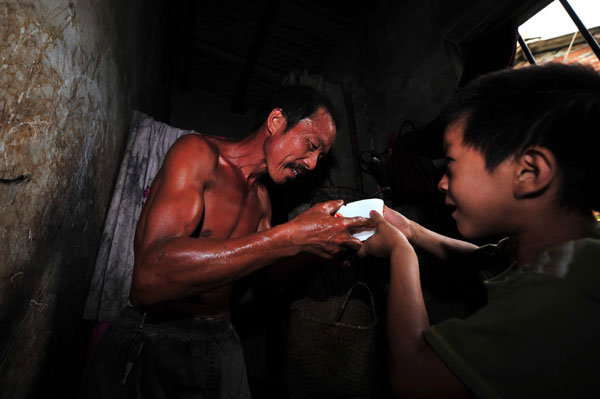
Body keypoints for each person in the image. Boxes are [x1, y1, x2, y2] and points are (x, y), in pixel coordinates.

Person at [80, 85, 373, 398]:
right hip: (158, 332)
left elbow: (265, 278)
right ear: (276, 122)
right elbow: (150, 276)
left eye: (320, 156)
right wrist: (289, 236)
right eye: (311, 145)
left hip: (220, 340)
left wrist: (314, 250)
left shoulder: (262, 201)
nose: (313, 164)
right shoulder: (197, 153)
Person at [358, 63, 600, 398]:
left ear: (530, 173)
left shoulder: (568, 293)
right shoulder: (565, 248)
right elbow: (485, 260)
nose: (441, 182)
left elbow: (413, 376)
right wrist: (411, 230)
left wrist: (401, 252)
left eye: (452, 164)